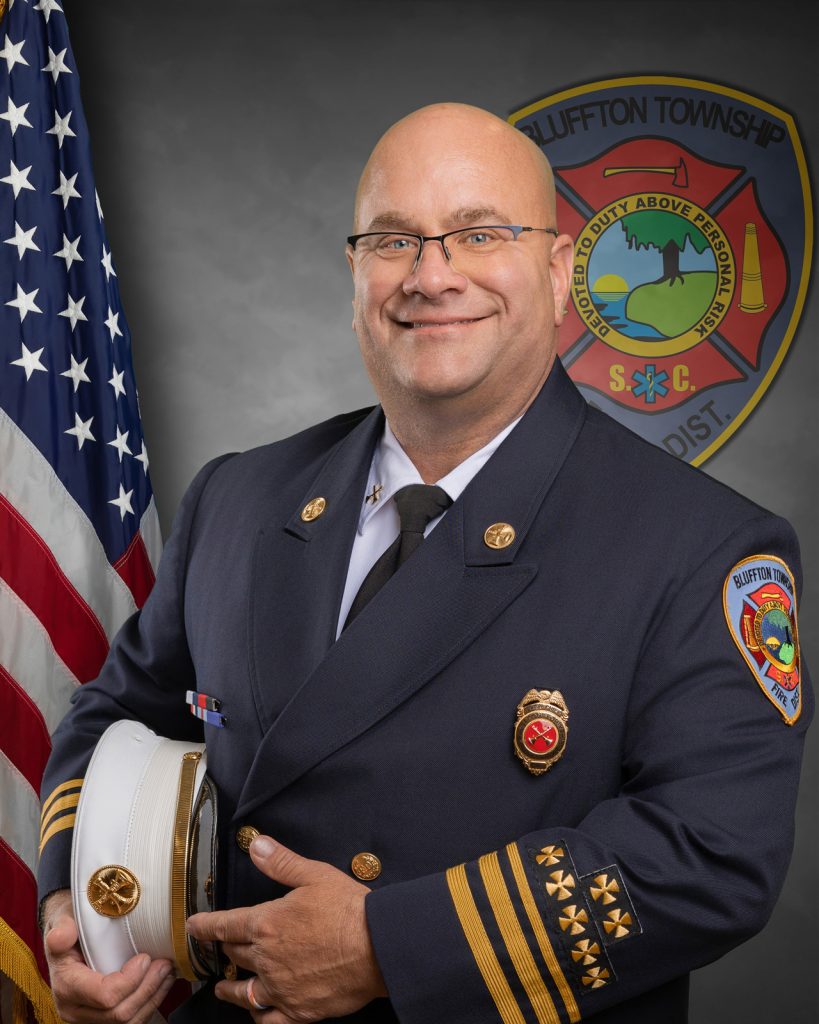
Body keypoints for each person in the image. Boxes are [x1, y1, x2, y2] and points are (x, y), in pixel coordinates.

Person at [38, 103, 811, 1024]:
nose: (431, 275)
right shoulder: (237, 497)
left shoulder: (701, 544)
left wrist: (386, 947)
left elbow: (711, 855)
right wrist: (80, 908)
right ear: (355, 274)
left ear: (557, 273)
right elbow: (116, 713)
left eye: (478, 234)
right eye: (393, 240)